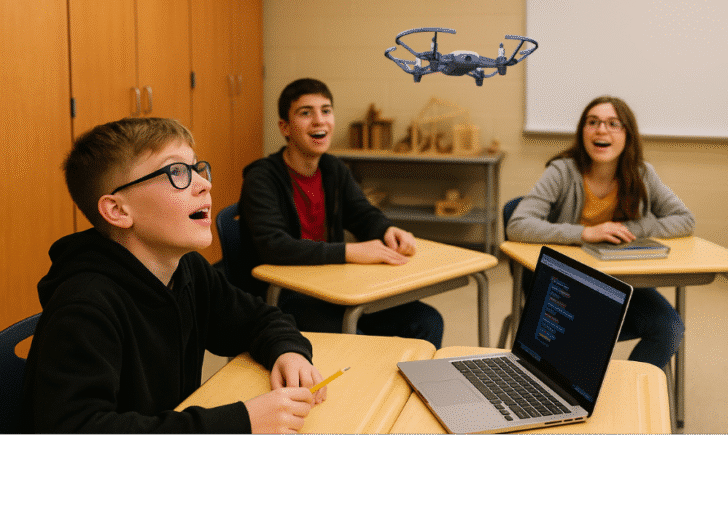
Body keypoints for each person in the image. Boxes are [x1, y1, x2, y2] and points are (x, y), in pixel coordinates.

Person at [21, 117, 326, 434]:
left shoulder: (186, 268)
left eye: (196, 168)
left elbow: (257, 318)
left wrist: (288, 351)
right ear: (118, 210)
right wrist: (240, 423)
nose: (204, 184)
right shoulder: (85, 306)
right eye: (177, 172)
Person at [238, 78, 444, 348]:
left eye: (326, 111)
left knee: (428, 321)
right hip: (284, 295)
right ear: (285, 127)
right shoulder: (261, 178)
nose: (319, 120)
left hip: (333, 286)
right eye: (305, 113)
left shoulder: (333, 169)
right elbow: (274, 247)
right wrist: (350, 252)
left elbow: (362, 214)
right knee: (360, 343)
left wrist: (387, 230)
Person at [506, 95, 694, 370]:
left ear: (628, 134)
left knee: (669, 327)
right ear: (582, 131)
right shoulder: (562, 171)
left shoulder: (642, 173)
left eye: (613, 124)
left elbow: (685, 219)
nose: (601, 130)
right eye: (592, 122)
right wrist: (585, 233)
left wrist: (630, 229)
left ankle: (631, 392)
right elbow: (518, 224)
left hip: (621, 283)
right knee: (580, 339)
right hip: (567, 287)